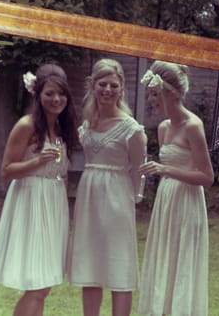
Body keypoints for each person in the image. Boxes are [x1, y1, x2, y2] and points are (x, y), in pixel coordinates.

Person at [0, 64, 79, 316]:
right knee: (38, 285)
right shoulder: (26, 125)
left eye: (61, 94)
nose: (56, 99)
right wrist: (37, 161)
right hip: (30, 202)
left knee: (43, 285)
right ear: (37, 95)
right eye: (49, 93)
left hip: (54, 203)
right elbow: (7, 170)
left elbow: (62, 171)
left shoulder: (62, 127)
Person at [67, 58, 147, 316]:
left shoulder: (131, 128)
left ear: (121, 88)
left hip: (117, 198)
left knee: (118, 261)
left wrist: (133, 197)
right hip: (89, 196)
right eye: (102, 84)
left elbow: (138, 169)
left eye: (113, 85)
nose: (107, 90)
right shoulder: (87, 124)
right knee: (90, 263)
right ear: (93, 85)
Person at [137, 61, 214, 316]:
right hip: (166, 202)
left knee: (180, 265)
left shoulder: (193, 126)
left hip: (187, 203)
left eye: (154, 93)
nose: (151, 99)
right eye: (150, 93)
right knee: (164, 261)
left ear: (172, 93)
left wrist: (164, 170)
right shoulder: (163, 128)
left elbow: (206, 176)